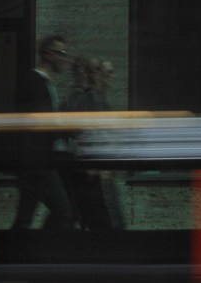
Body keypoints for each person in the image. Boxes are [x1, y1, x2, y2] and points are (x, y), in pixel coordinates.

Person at [9, 35, 78, 231]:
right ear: (48, 53)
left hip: (41, 160)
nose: (65, 59)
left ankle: (23, 254)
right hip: (38, 161)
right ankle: (40, 252)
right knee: (64, 212)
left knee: (26, 216)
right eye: (62, 53)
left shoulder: (45, 83)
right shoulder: (34, 82)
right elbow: (36, 124)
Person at [68, 55, 127, 231]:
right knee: (105, 219)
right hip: (96, 169)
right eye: (107, 72)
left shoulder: (96, 98)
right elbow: (85, 133)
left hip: (99, 167)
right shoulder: (89, 98)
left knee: (102, 217)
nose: (111, 76)